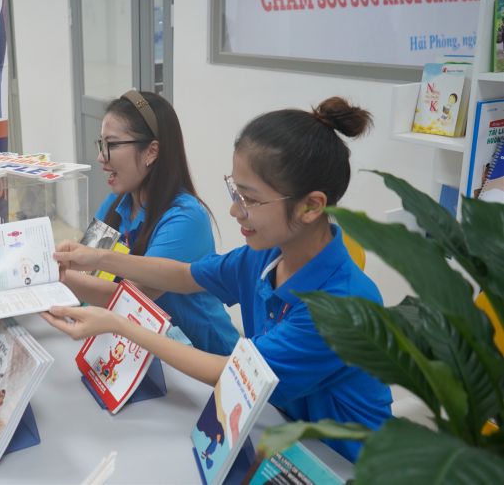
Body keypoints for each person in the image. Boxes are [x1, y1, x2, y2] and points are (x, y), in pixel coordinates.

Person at [45, 97, 393, 462]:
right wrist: (95, 256)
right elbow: (184, 275)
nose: (233, 210)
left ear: (311, 206)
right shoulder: (265, 255)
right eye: (234, 191)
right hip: (281, 432)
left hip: (344, 463)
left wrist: (120, 325)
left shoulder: (342, 305)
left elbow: (236, 373)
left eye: (250, 199)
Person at [63, 90, 239, 355]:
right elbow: (88, 276)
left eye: (111, 145)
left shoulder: (185, 218)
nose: (101, 157)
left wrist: (58, 275)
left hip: (204, 363)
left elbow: (128, 300)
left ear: (151, 152)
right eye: (101, 144)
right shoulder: (116, 205)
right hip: (137, 351)